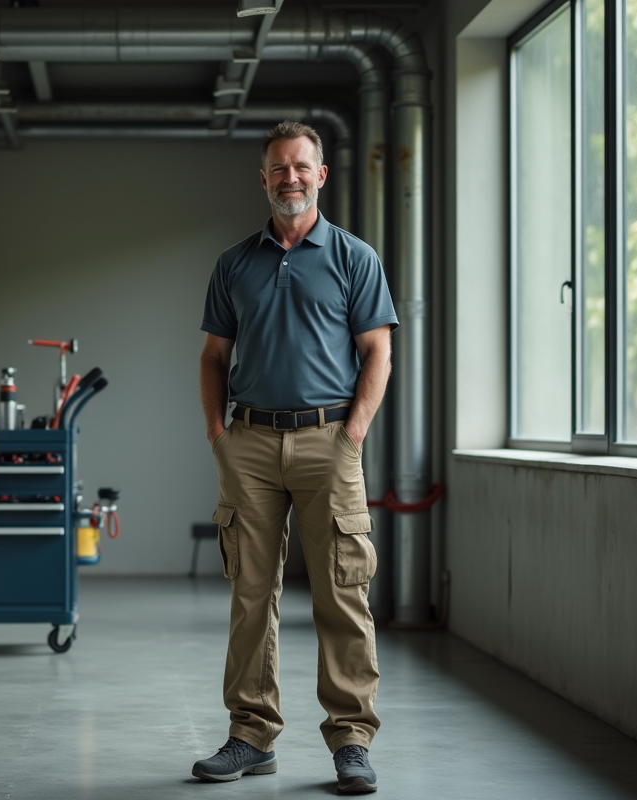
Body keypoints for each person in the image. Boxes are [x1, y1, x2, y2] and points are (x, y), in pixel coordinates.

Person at [192, 120, 397, 795]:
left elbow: (377, 353)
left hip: (329, 441)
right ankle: (251, 735)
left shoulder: (353, 258)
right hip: (248, 444)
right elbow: (214, 357)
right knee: (252, 593)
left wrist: (352, 436)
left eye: (301, 166)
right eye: (279, 168)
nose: (290, 177)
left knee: (342, 592)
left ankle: (351, 741)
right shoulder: (235, 264)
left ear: (321, 175)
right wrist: (219, 437)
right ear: (264, 178)